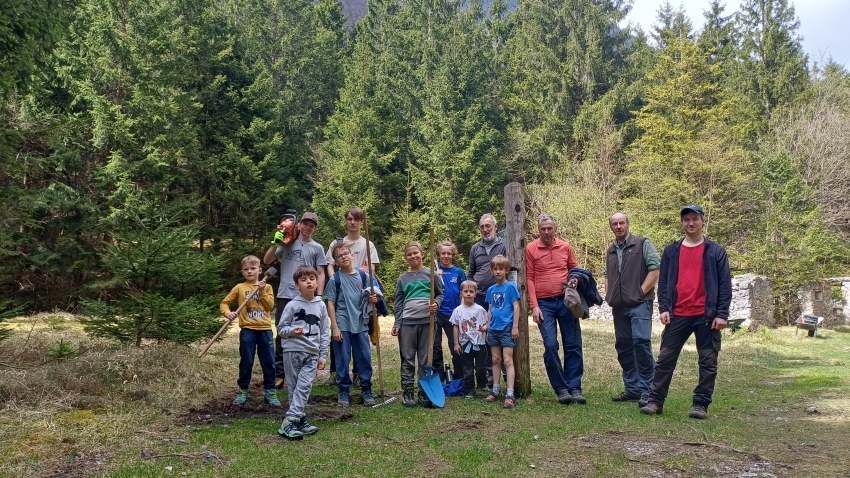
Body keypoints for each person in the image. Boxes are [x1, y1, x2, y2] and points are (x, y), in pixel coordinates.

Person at [640, 205, 731, 419]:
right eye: (687, 220)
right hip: (678, 314)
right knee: (665, 360)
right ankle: (655, 401)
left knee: (708, 362)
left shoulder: (716, 251)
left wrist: (722, 314)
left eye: (695, 219)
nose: (691, 223)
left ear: (702, 221)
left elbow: (724, 285)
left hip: (707, 317)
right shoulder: (672, 250)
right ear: (682, 223)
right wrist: (664, 308)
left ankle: (700, 405)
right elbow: (664, 284)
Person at [263, 212, 327, 389]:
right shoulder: (287, 243)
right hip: (286, 294)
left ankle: (302, 369)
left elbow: (320, 272)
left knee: (307, 331)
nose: (307, 227)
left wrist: (319, 294)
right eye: (305, 224)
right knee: (282, 333)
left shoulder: (317, 248)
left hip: (306, 297)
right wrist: (275, 243)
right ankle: (279, 374)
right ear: (299, 225)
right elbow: (267, 260)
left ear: (315, 228)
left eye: (311, 225)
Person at [526, 214, 584, 405]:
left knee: (573, 344)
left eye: (550, 228)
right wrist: (534, 306)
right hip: (544, 304)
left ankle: (574, 387)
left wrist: (574, 280)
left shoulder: (565, 247)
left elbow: (574, 270)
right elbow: (530, 279)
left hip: (566, 301)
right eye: (543, 229)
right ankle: (561, 388)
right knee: (550, 345)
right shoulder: (531, 248)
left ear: (555, 229)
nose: (547, 232)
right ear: (538, 230)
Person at [605, 213, 660, 407]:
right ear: (611, 227)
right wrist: (609, 294)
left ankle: (648, 390)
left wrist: (640, 292)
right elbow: (607, 275)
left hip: (639, 304)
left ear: (628, 224)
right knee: (624, 346)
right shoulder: (610, 250)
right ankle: (632, 389)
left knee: (641, 343)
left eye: (621, 223)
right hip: (619, 306)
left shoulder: (642, 243)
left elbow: (655, 269)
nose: (618, 226)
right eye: (615, 224)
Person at [324, 207, 380, 387]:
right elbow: (330, 265)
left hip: (358, 288)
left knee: (360, 333)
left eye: (356, 219)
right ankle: (336, 373)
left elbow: (371, 269)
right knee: (339, 333)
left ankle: (358, 373)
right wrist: (335, 279)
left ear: (362, 222)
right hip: (341, 288)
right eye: (349, 219)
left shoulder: (367, 244)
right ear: (346, 221)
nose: (353, 222)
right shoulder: (337, 243)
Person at [276, 265, 330, 440]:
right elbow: (281, 328)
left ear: (316, 282)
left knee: (305, 385)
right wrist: (293, 330)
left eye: (312, 279)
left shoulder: (320, 305)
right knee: (293, 387)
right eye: (303, 280)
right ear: (297, 285)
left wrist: (323, 355)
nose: (309, 282)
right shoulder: (292, 305)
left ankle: (290, 420)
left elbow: (324, 331)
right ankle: (297, 419)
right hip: (293, 350)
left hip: (312, 352)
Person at [219, 256, 279, 407]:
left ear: (260, 270)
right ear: (242, 272)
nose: (249, 271)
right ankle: (243, 390)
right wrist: (228, 313)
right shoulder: (240, 288)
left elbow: (269, 306)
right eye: (246, 269)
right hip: (247, 330)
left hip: (265, 330)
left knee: (269, 362)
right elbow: (224, 303)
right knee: (246, 362)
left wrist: (262, 291)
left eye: (252, 268)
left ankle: (270, 391)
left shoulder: (267, 287)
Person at [325, 242, 379, 407]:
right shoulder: (335, 279)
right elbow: (331, 303)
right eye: (339, 256)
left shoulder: (363, 276)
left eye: (346, 253)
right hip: (342, 324)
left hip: (360, 323)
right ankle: (343, 390)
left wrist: (372, 299)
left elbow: (368, 296)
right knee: (342, 358)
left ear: (352, 255)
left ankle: (366, 389)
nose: (344, 257)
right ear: (336, 261)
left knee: (364, 357)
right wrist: (335, 327)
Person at [391, 241, 443, 407]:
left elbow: (440, 295)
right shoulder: (403, 278)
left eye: (415, 253)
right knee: (407, 358)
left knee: (425, 358)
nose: (413, 256)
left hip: (428, 322)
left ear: (422, 254)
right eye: (409, 254)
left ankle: (423, 390)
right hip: (407, 323)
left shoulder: (432, 274)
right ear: (405, 258)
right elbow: (398, 303)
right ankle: (407, 391)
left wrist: (436, 304)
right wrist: (397, 323)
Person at [467, 213, 505, 390]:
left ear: (495, 227)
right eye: (482, 226)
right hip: (479, 296)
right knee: (480, 335)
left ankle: (501, 370)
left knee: (496, 333)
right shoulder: (475, 248)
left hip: (498, 297)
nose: (485, 229)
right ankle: (485, 374)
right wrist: (468, 296)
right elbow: (471, 273)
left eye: (488, 226)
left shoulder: (504, 244)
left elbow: (510, 268)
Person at [482, 255, 521, 409]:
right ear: (492, 271)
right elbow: (490, 309)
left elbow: (516, 307)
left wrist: (515, 326)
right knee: (495, 360)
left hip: (506, 328)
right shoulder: (491, 290)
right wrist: (487, 324)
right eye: (495, 269)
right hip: (493, 329)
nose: (498, 272)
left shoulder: (510, 287)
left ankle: (510, 394)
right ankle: (495, 390)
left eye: (501, 269)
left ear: (506, 270)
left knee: (507, 360)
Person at [433, 238, 466, 382]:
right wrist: (435, 276)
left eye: (449, 254)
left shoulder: (458, 272)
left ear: (453, 255)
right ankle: (439, 376)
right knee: (435, 346)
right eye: (443, 254)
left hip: (453, 314)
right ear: (438, 255)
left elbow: (465, 291)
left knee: (455, 346)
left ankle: (459, 376)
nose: (446, 256)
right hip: (436, 313)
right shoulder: (433, 271)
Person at [451, 280, 488, 399]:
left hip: (479, 343)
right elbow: (456, 326)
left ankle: (482, 383)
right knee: (467, 368)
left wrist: (485, 331)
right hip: (465, 343)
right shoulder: (457, 310)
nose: (468, 294)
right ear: (461, 293)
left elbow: (485, 324)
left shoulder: (480, 310)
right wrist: (456, 343)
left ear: (476, 293)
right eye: (465, 291)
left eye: (471, 291)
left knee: (480, 367)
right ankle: (469, 388)